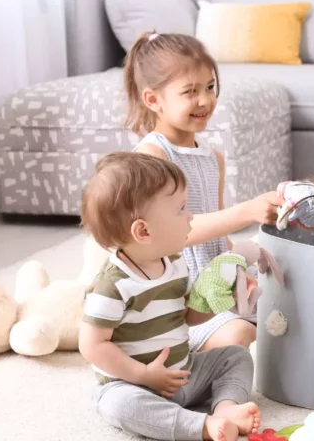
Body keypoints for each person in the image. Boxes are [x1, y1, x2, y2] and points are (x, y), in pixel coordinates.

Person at [79, 152, 261, 440]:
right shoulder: (113, 285)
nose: (190, 217)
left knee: (237, 357)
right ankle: (199, 426)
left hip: (183, 372)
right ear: (143, 231)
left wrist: (221, 297)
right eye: (181, 210)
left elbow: (189, 316)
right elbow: (92, 346)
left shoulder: (175, 263)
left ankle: (226, 408)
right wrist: (143, 375)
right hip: (133, 384)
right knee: (116, 405)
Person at [123, 31, 282, 352]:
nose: (205, 100)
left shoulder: (213, 159)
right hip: (179, 300)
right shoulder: (152, 157)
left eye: (210, 87)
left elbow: (216, 239)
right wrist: (246, 211)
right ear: (153, 99)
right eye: (190, 91)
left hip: (215, 282)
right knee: (242, 336)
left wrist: (238, 267)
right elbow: (170, 235)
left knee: (288, 306)